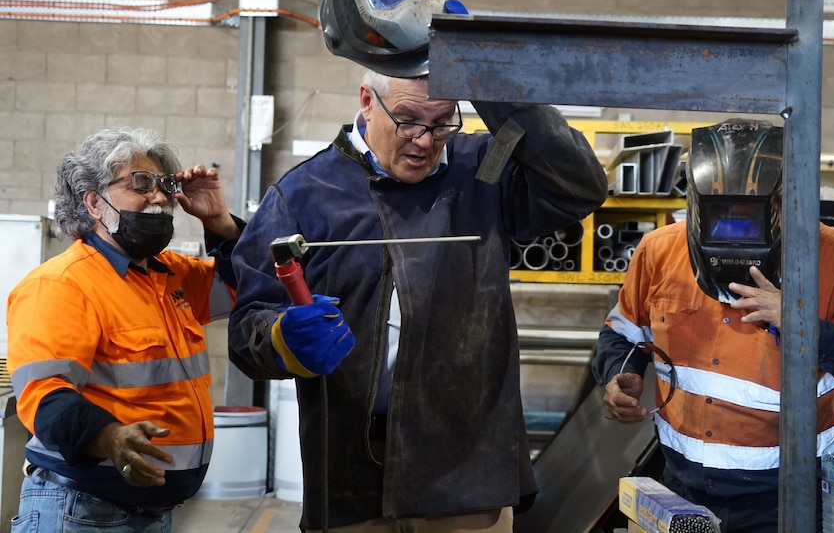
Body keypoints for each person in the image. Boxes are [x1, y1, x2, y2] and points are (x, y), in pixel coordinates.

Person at [227, 67, 608, 532]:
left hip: (466, 469)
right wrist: (282, 337)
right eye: (407, 120)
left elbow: (580, 187)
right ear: (367, 101)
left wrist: (497, 84)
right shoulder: (302, 194)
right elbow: (249, 324)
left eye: (443, 122)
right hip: (351, 474)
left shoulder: (482, 171)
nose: (425, 142)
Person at [592, 118, 834, 533]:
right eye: (720, 216)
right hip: (682, 491)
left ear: (784, 200)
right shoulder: (659, 251)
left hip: (788, 498)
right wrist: (620, 373)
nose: (733, 233)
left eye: (748, 217)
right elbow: (624, 333)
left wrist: (800, 323)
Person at [7, 127, 244, 532]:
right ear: (95, 203)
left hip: (151, 513)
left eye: (164, 186)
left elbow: (250, 288)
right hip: (80, 510)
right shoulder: (62, 284)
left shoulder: (169, 275)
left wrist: (220, 223)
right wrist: (110, 438)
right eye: (141, 184)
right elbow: (44, 398)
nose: (158, 198)